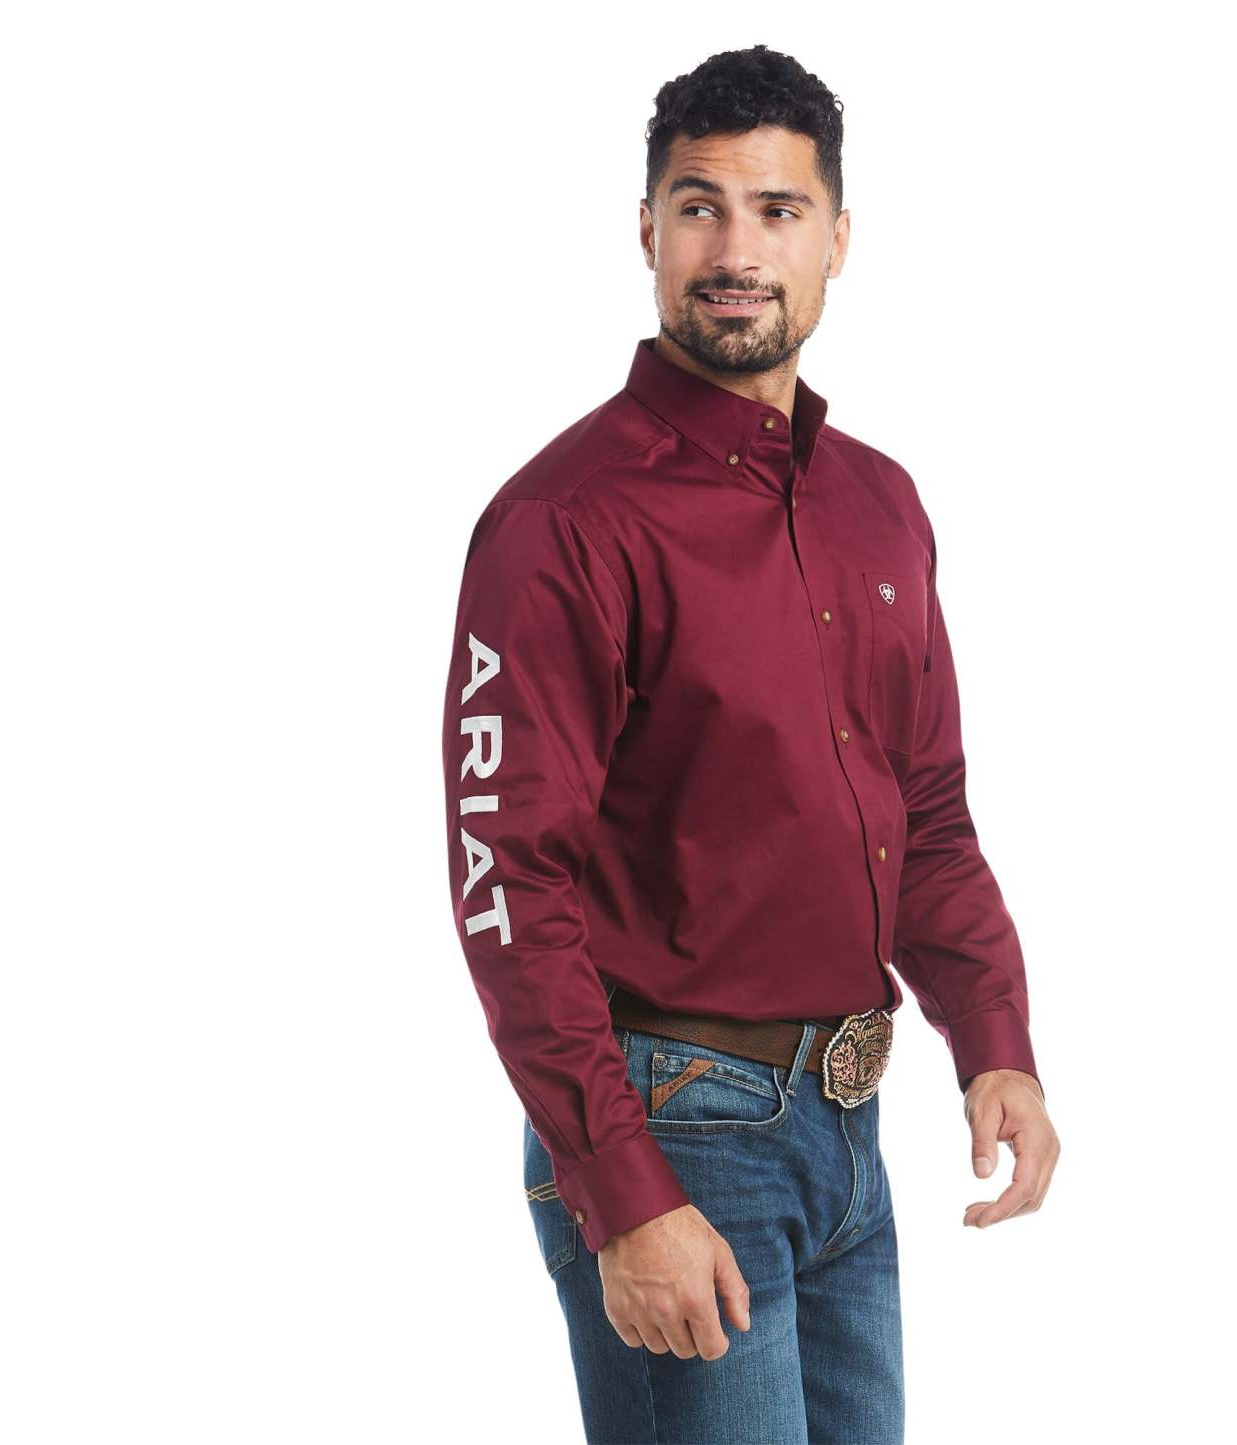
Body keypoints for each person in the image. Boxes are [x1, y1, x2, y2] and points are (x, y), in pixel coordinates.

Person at [441, 44, 1060, 1445]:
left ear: (836, 238)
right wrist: (624, 1191)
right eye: (700, 207)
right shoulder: (563, 522)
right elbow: (507, 884)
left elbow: (925, 809)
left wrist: (994, 1039)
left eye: (777, 211)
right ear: (645, 229)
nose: (736, 252)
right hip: (671, 1126)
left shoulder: (879, 504)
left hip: (847, 1133)